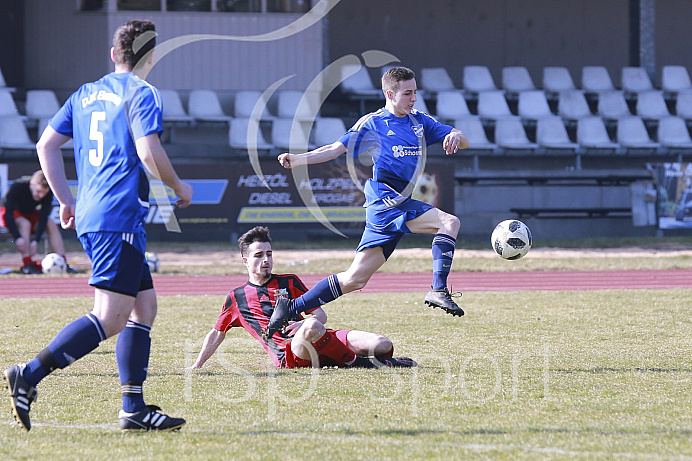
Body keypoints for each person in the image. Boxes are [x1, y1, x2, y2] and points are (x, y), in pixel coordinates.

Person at [3, 19, 193, 432]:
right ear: (151, 57)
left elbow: (45, 145)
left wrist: (66, 200)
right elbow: (148, 151)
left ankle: (134, 408)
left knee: (144, 307)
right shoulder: (143, 92)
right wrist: (180, 186)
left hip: (96, 213)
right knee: (109, 317)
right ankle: (29, 375)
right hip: (118, 216)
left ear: (113, 55)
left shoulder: (85, 93)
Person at [268, 66, 470, 338]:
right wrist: (298, 158)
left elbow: (464, 140)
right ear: (390, 93)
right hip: (386, 200)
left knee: (355, 279)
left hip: (397, 203)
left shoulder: (420, 122)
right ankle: (437, 289)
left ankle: (290, 307)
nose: (414, 99)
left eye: (415, 92)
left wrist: (456, 134)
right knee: (449, 222)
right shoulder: (374, 123)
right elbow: (334, 150)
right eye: (407, 93)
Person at [190, 226, 416, 370]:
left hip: (318, 335)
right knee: (311, 327)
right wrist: (196, 366)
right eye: (258, 255)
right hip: (291, 354)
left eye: (269, 254)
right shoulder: (236, 297)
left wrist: (302, 323)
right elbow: (217, 333)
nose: (266, 260)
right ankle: (362, 365)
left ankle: (347, 358)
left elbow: (320, 315)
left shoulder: (290, 281)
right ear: (245, 261)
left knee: (382, 344)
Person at [0, 170, 76, 274]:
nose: (41, 196)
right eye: (38, 191)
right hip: (11, 215)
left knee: (51, 223)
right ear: (32, 183)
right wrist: (18, 238)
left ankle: (62, 262)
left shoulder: (47, 194)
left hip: (29, 215)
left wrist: (36, 241)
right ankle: (27, 264)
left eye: (44, 193)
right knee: (25, 223)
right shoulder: (18, 187)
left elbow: (43, 217)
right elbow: (8, 213)